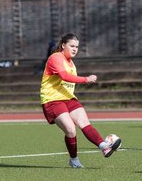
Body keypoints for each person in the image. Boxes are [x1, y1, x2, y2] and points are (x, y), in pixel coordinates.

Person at [40, 33, 121, 168]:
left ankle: (104, 146)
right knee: (71, 130)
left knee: (84, 123)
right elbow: (64, 76)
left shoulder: (71, 63)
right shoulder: (55, 58)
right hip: (52, 100)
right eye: (71, 46)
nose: (75, 49)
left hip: (69, 99)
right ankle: (74, 160)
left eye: (77, 47)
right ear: (63, 45)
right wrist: (86, 79)